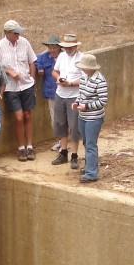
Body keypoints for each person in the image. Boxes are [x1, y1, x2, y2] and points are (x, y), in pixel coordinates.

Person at [0, 20, 39, 162]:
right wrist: (9, 72)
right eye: (15, 33)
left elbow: (32, 61)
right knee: (18, 117)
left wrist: (32, 79)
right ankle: (20, 148)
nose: (18, 35)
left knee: (28, 114)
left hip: (26, 85)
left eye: (18, 32)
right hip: (11, 87)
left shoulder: (24, 42)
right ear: (7, 33)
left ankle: (30, 146)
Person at [50, 34, 84, 169]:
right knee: (60, 123)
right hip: (60, 93)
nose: (68, 49)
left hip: (74, 95)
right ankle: (63, 152)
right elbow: (54, 71)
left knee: (74, 126)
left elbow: (85, 78)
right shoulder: (62, 56)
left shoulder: (82, 58)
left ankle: (74, 155)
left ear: (76, 46)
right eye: (66, 47)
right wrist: (58, 78)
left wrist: (70, 83)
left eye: (70, 47)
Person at [73, 54, 108, 183]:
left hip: (94, 117)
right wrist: (77, 103)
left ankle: (91, 173)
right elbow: (81, 94)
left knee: (90, 144)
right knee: (86, 142)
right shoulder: (84, 77)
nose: (83, 69)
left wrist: (86, 106)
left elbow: (103, 101)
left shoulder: (100, 80)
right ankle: (90, 166)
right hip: (83, 116)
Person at [35, 36, 63, 152]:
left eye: (54, 48)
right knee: (55, 119)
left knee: (65, 118)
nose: (52, 50)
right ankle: (61, 142)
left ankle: (65, 142)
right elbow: (34, 60)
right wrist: (40, 67)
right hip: (51, 93)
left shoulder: (64, 57)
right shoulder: (44, 57)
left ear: (59, 48)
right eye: (50, 48)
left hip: (64, 92)